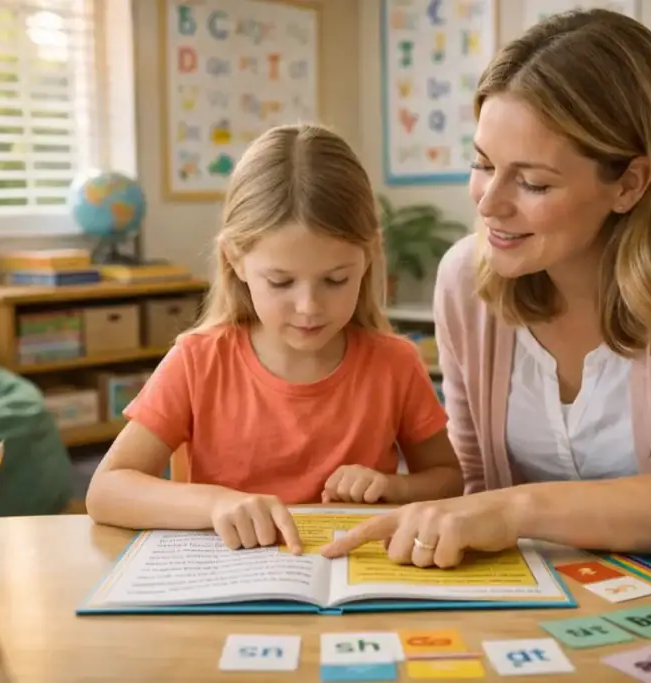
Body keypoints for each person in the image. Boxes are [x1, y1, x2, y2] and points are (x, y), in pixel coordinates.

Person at [321, 10, 651, 570]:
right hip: (566, 601)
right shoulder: (466, 280)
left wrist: (521, 510)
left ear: (629, 184)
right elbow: (474, 485)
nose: (488, 202)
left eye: (532, 182)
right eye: (482, 164)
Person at [86, 123, 463, 552]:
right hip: (227, 588)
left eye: (335, 280)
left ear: (370, 256)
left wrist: (391, 488)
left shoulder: (395, 363)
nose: (309, 306)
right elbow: (106, 491)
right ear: (236, 260)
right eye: (281, 282)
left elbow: (449, 480)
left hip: (351, 588)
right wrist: (214, 504)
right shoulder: (198, 361)